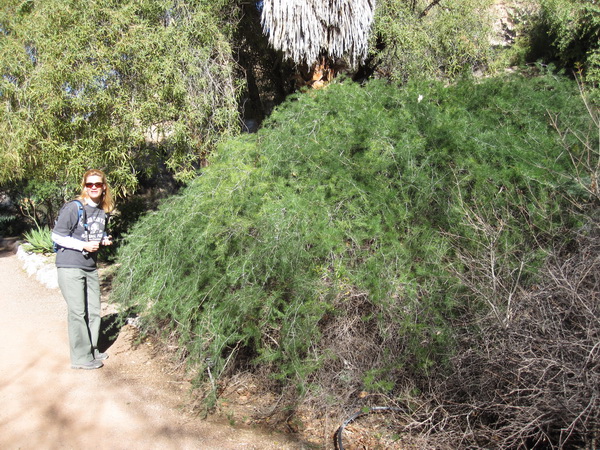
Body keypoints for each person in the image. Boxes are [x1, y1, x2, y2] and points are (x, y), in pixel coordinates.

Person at [52, 169, 114, 370]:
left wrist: (103, 239)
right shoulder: (74, 207)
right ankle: (80, 357)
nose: (94, 187)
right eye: (89, 184)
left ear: (104, 187)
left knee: (94, 310)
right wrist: (83, 246)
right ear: (84, 187)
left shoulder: (102, 211)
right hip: (70, 265)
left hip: (89, 266)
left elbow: (95, 232)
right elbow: (57, 236)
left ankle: (92, 349)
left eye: (97, 184)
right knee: (78, 312)